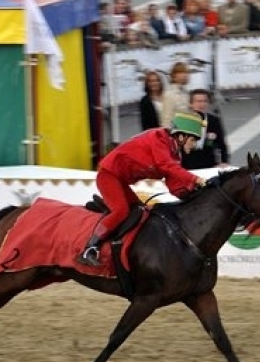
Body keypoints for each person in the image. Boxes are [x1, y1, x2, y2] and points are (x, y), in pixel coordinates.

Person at [77, 112, 207, 267]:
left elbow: (175, 187)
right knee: (121, 211)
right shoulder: (159, 138)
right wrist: (195, 179)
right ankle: (90, 249)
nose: (194, 145)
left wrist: (195, 194)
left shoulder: (175, 155)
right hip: (108, 175)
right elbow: (165, 165)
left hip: (121, 181)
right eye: (193, 140)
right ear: (181, 137)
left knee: (141, 211)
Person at [181, 89, 230, 170]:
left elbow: (222, 144)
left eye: (205, 101)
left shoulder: (214, 121)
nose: (202, 104)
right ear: (191, 104)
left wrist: (224, 161)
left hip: (209, 165)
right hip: (188, 166)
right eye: (198, 101)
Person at [160, 62, 191, 127]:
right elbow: (166, 121)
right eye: (181, 72)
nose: (185, 75)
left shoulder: (187, 93)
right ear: (174, 76)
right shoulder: (169, 94)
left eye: (187, 72)